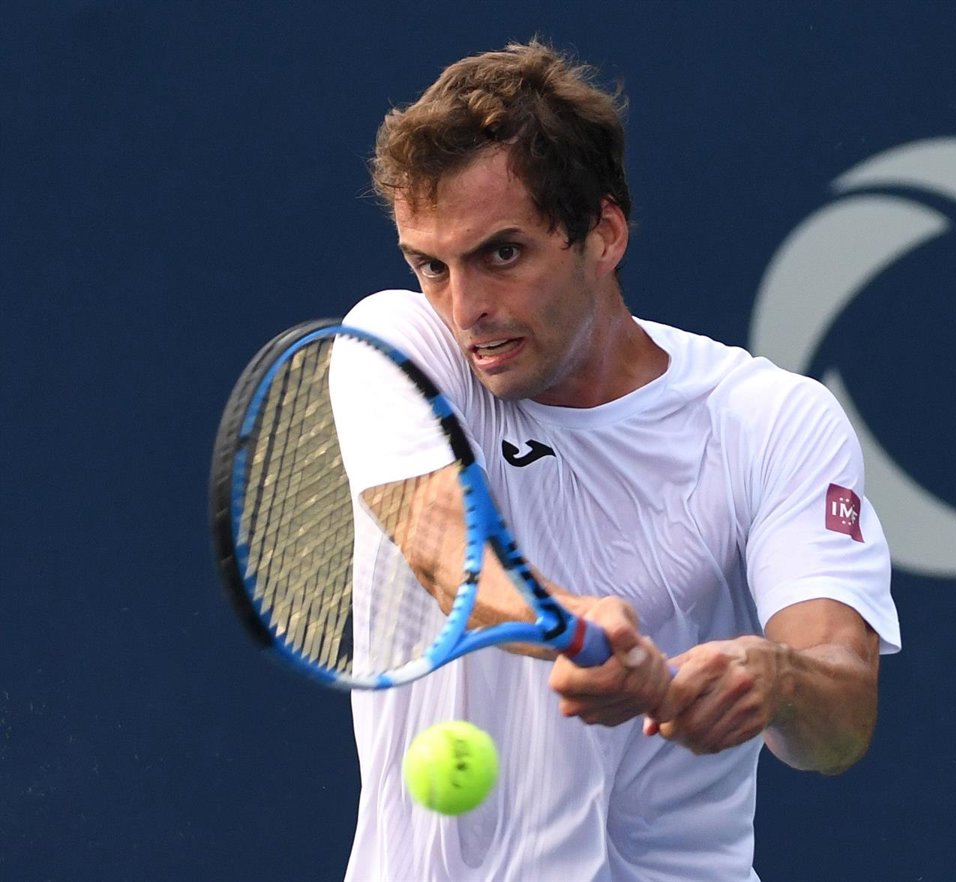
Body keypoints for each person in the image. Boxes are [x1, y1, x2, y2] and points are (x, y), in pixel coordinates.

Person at [332, 39, 900, 882]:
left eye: (502, 253)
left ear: (603, 234)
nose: (466, 308)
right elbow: (441, 543)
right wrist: (573, 624)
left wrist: (775, 680)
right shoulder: (396, 343)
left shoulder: (770, 420)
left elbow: (842, 719)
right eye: (431, 265)